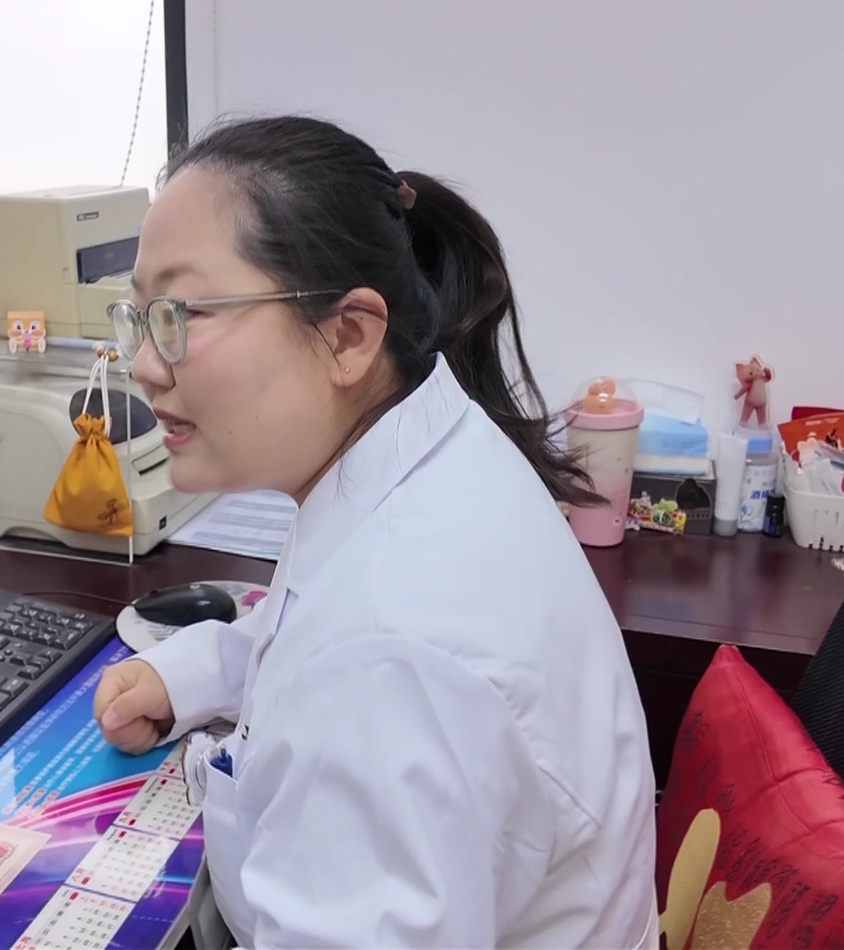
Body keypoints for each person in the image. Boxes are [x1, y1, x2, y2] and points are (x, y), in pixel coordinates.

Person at [92, 115, 659, 947]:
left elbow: (366, 661)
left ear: (349, 336)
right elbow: (311, 632)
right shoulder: (420, 456)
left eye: (182, 313)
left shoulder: (393, 654)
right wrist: (201, 669)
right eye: (140, 317)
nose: (145, 363)